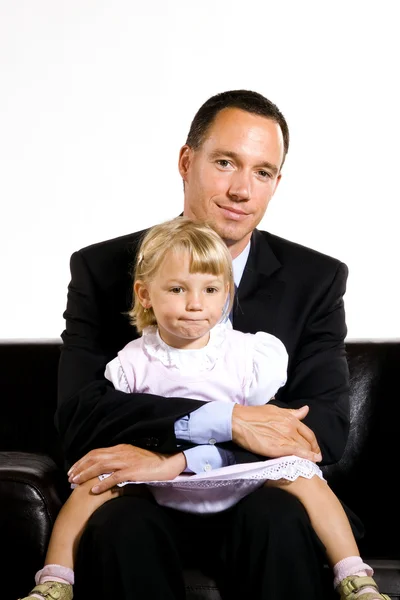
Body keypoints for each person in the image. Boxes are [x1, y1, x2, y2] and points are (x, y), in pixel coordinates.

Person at [53, 89, 363, 600]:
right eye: (225, 162)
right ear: (186, 161)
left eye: (262, 172)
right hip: (142, 497)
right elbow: (83, 415)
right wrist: (230, 419)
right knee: (119, 526)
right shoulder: (102, 269)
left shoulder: (317, 280)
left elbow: (321, 431)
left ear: (276, 183)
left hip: (260, 493)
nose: (242, 189)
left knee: (279, 520)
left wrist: (179, 460)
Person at [20, 218, 388, 600]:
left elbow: (309, 432)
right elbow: (95, 414)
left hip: (239, 472)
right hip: (154, 486)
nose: (195, 304)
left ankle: (355, 577)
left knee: (301, 476)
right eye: (178, 289)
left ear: (226, 294)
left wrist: (188, 456)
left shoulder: (251, 352)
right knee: (93, 486)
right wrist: (209, 427)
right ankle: (54, 581)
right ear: (145, 294)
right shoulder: (131, 358)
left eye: (210, 289)